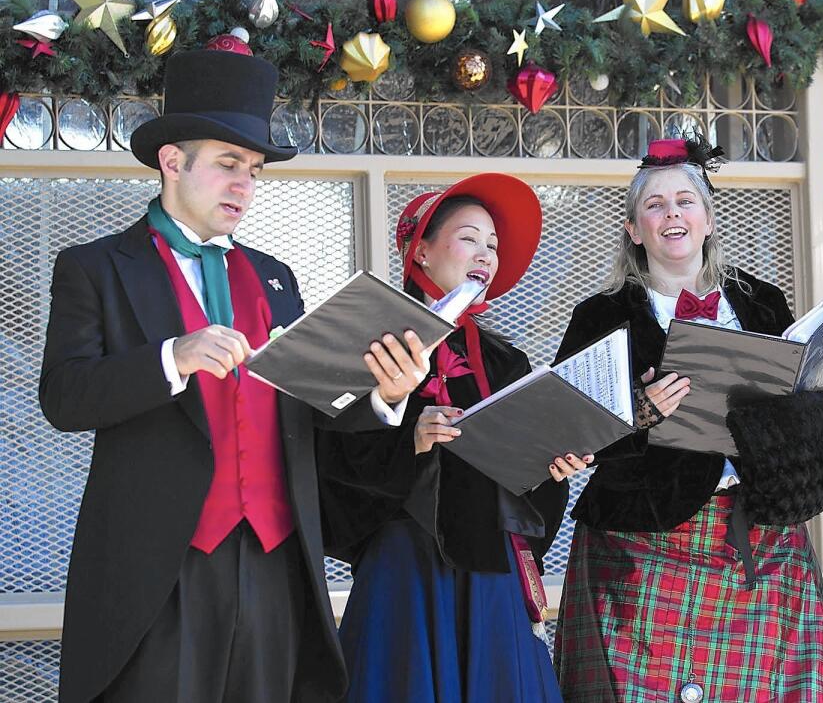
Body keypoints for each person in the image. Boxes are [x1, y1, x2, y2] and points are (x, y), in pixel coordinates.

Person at [39, 49, 425, 703]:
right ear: (171, 162)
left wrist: (384, 396)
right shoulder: (96, 268)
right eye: (227, 165)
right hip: (162, 570)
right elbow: (65, 396)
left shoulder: (277, 277)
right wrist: (172, 358)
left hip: (277, 562)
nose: (245, 185)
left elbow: (316, 406)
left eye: (252, 169)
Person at [551, 138, 823, 703]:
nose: (672, 215)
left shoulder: (762, 302)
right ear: (634, 229)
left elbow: (812, 409)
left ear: (708, 218)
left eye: (685, 201)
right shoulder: (600, 316)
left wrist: (790, 409)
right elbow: (569, 433)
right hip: (640, 543)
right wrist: (642, 412)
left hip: (760, 536)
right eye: (654, 206)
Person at [317, 172, 592, 703]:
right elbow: (331, 460)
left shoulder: (507, 360)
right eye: (469, 237)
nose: (486, 253)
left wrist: (550, 469)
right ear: (421, 252)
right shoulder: (370, 345)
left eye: (492, 244)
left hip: (492, 574)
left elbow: (525, 482)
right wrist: (409, 438)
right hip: (405, 572)